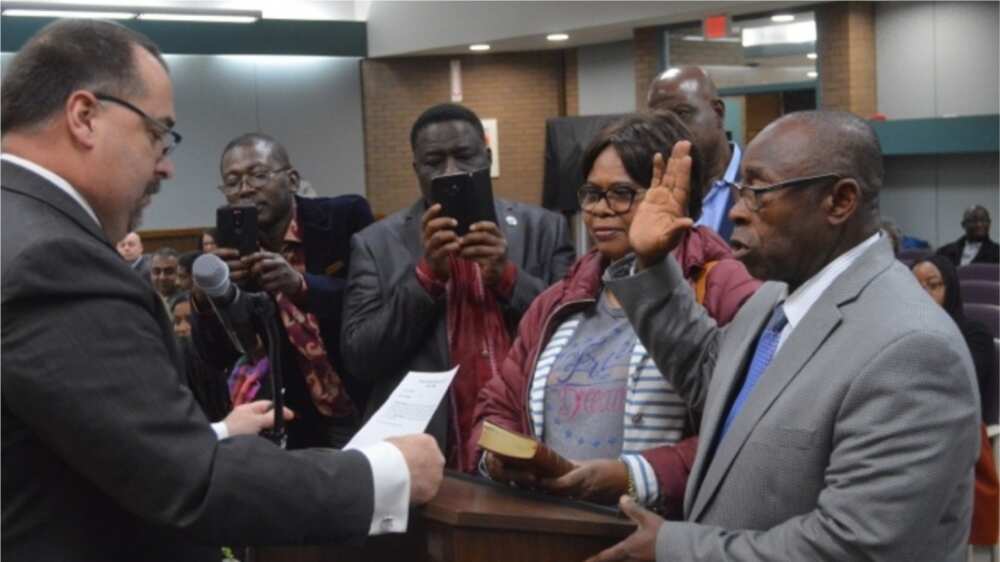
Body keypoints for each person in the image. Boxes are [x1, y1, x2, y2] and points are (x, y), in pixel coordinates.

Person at [1, 19, 442, 562]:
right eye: (158, 133)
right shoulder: (55, 260)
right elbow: (187, 480)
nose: (165, 164)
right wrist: (387, 474)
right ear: (84, 116)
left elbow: (96, 436)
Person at [589, 110, 980, 561]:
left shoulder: (912, 349)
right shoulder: (776, 297)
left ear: (839, 201)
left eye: (758, 192)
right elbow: (708, 375)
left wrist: (675, 547)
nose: (735, 210)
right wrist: (654, 265)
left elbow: (854, 546)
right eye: (740, 191)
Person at [472, 112, 759, 514]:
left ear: (671, 195)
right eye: (592, 193)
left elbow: (752, 425)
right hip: (553, 530)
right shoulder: (559, 300)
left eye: (622, 192)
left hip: (666, 536)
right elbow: (499, 402)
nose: (601, 210)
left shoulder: (721, 285)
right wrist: (497, 459)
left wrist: (634, 476)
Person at [342, 103, 576, 471]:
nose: (451, 171)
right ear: (416, 169)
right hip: (428, 450)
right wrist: (426, 278)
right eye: (434, 161)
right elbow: (361, 357)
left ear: (488, 157)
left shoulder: (544, 229)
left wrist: (507, 277)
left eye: (465, 156)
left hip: (530, 439)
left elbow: (575, 336)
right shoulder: (375, 243)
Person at [192, 132, 375, 450]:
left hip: (370, 396)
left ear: (291, 179)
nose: (245, 189)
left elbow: (376, 300)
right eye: (232, 181)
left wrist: (303, 286)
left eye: (258, 175)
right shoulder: (233, 255)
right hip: (304, 420)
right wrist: (208, 298)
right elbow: (219, 355)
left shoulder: (344, 217)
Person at [911, 255, 999, 547]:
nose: (922, 295)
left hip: (959, 433)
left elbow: (960, 384)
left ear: (951, 290)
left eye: (933, 286)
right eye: (914, 287)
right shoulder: (894, 334)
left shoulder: (974, 333)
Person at [647, 67, 739, 241]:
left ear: (718, 113)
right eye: (659, 120)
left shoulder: (762, 183)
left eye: (682, 114)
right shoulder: (648, 190)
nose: (669, 128)